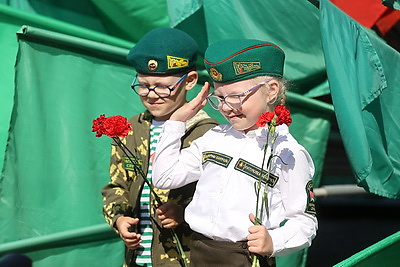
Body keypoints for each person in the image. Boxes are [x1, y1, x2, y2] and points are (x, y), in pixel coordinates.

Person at [152, 39, 318, 266]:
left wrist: (274, 241)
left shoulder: (288, 152)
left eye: (236, 96)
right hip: (198, 251)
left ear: (271, 91)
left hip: (245, 258)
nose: (226, 107)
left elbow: (304, 221)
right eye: (219, 98)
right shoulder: (215, 137)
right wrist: (176, 122)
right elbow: (165, 176)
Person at [101, 28, 218, 267]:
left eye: (162, 86)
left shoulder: (208, 133)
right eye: (143, 85)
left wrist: (183, 214)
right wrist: (119, 219)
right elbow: (116, 187)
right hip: (137, 260)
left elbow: (221, 197)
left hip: (185, 259)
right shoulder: (128, 129)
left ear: (191, 81)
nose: (151, 94)